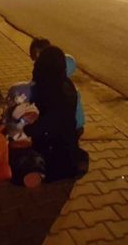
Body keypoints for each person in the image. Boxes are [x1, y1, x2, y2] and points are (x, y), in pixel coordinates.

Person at [24, 46, 88, 182]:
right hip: (64, 144)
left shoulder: (53, 91)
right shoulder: (63, 83)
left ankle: (35, 173)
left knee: (20, 162)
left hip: (57, 155)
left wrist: (27, 129)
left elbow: (50, 121)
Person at [29, 38, 86, 138]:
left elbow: (50, 117)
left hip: (67, 128)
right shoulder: (63, 80)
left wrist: (30, 129)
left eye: (37, 60)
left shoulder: (53, 88)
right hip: (76, 124)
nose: (36, 64)